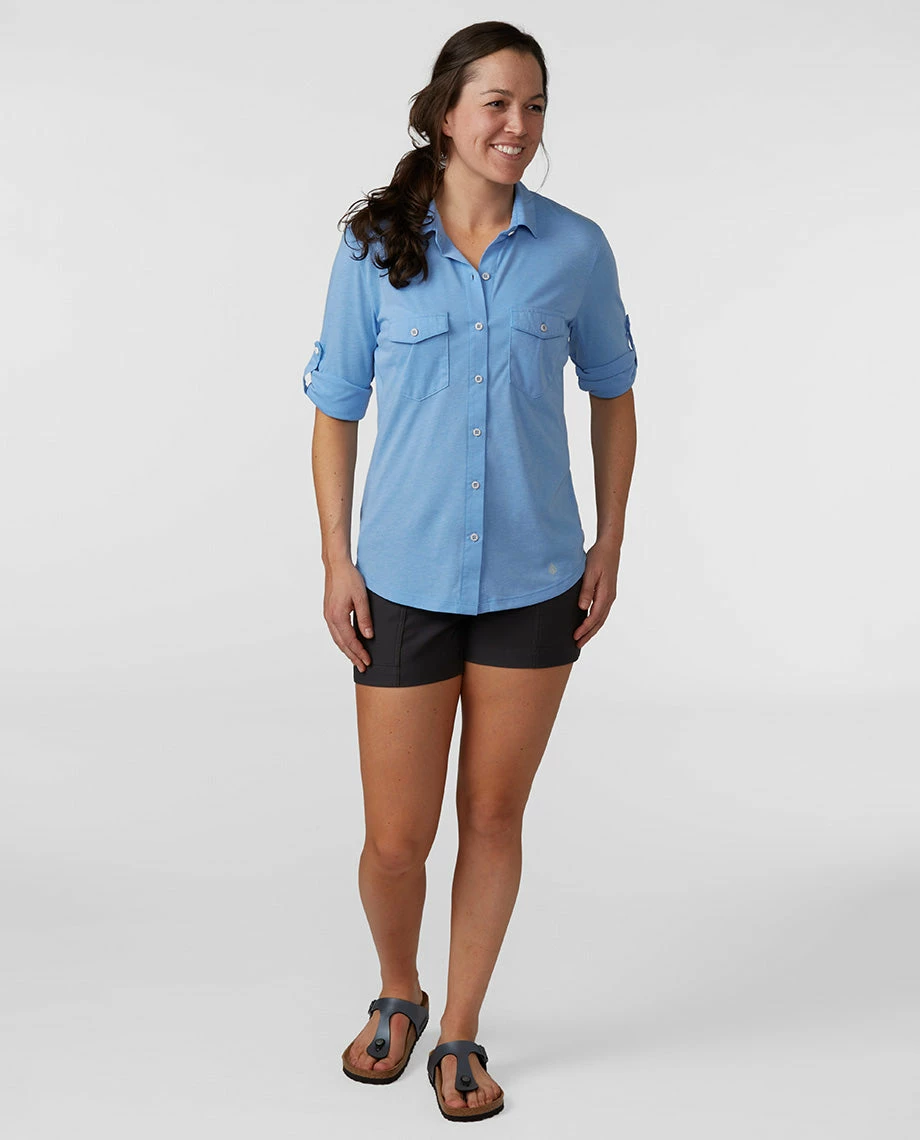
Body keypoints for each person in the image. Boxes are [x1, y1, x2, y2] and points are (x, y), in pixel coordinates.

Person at [304, 20, 637, 1123]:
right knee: (397, 840)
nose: (518, 125)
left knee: (493, 816)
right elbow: (335, 409)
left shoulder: (576, 248)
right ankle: (397, 991)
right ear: (445, 112)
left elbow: (613, 392)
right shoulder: (373, 249)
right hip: (401, 582)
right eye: (498, 102)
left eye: (534, 106)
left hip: (535, 581)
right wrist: (337, 559)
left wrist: (609, 541)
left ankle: (458, 1027)